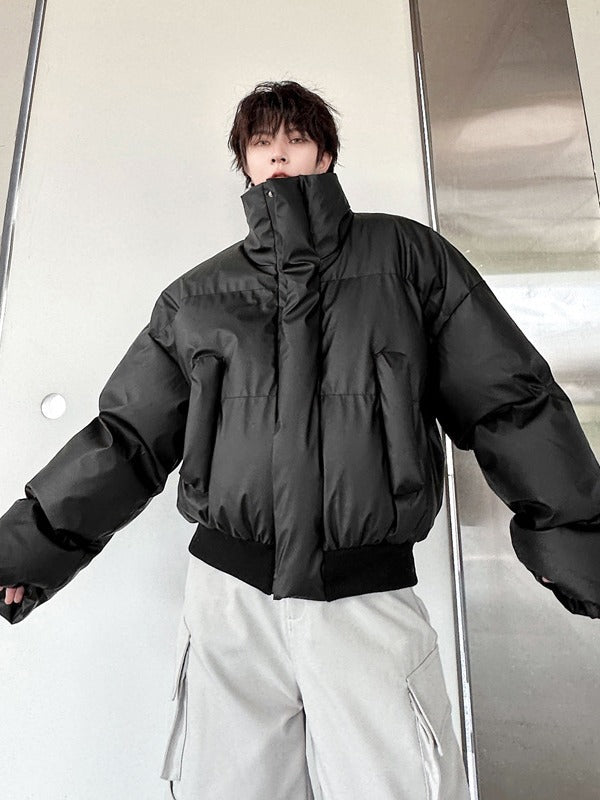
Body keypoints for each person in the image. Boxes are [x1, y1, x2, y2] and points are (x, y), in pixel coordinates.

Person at [1, 80, 600, 799]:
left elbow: (509, 400)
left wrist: (580, 541)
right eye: (262, 143)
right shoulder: (198, 297)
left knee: (394, 786)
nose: (278, 154)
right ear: (245, 163)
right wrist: (25, 551)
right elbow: (127, 438)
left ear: (325, 154)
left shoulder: (409, 260)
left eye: (295, 139)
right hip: (230, 603)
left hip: (364, 594)